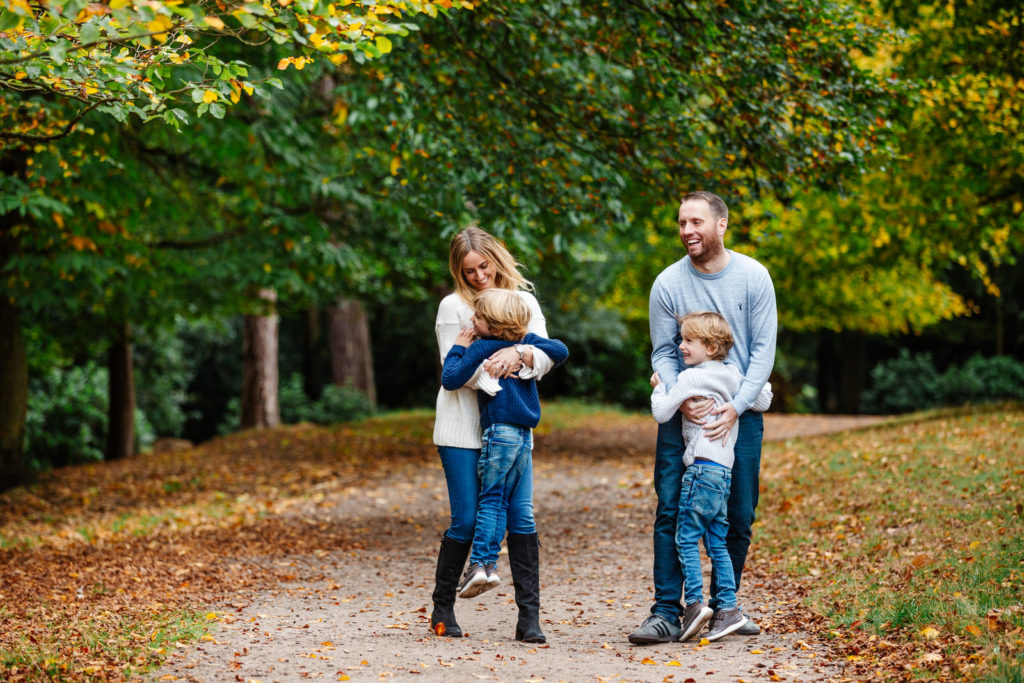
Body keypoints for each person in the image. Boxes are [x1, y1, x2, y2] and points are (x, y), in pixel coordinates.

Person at [629, 190, 777, 645]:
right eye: (681, 223)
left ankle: (721, 607)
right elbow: (662, 350)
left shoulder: (754, 277)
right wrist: (681, 397)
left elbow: (762, 352)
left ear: (721, 224)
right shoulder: (667, 284)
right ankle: (667, 612)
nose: (687, 231)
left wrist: (735, 407)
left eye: (696, 222)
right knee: (672, 507)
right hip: (682, 414)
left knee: (739, 513)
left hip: (743, 411)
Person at [431, 226, 555, 643]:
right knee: (466, 519)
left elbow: (544, 356)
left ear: (497, 260)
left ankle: (529, 618)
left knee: (521, 514)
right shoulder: (454, 307)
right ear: (459, 273)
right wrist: (499, 369)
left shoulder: (523, 302)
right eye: (469, 271)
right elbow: (455, 370)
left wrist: (519, 354)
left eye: (484, 266)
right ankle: (443, 608)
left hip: (512, 425)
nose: (479, 276)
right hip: (463, 426)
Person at [649, 311, 773, 642]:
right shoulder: (733, 375)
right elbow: (763, 398)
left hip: (700, 470)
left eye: (689, 340)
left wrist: (660, 388)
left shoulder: (689, 379)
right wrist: (752, 379)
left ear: (711, 346)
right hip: (723, 475)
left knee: (686, 538)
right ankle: (729, 609)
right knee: (717, 540)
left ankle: (694, 605)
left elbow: (662, 413)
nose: (681, 346)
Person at [440, 288, 568, 602]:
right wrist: (524, 348)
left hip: (499, 433)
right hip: (524, 435)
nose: (472, 319)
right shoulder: (523, 340)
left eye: (478, 317)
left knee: (492, 498)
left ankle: (482, 564)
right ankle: (486, 565)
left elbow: (451, 378)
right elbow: (560, 350)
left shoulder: (482, 346)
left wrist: (459, 347)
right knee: (502, 501)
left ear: (495, 326)